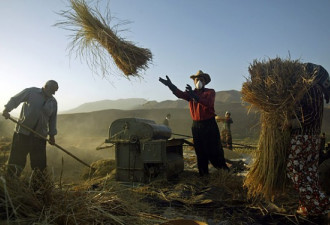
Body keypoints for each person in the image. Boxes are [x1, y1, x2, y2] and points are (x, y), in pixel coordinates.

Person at [159, 70, 229, 176]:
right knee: (200, 151)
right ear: (194, 81)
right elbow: (180, 94)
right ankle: (203, 175)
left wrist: (195, 96)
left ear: (205, 82)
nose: (199, 81)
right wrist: (170, 85)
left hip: (209, 124)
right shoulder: (191, 93)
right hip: (196, 126)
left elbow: (208, 103)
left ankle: (224, 171)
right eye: (197, 79)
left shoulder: (210, 92)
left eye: (201, 79)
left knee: (214, 149)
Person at [285, 63, 330, 219]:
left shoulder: (312, 90)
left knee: (295, 171)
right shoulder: (312, 90)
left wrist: (291, 123)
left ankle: (323, 205)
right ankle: (306, 207)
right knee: (309, 173)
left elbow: (311, 117)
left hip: (304, 138)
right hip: (310, 139)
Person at [2, 80, 59, 177]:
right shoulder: (31, 92)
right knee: (16, 163)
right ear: (46, 86)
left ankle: (38, 189)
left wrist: (52, 136)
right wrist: (7, 109)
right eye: (53, 90)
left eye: (55, 91)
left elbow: (52, 120)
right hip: (22, 134)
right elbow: (16, 100)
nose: (54, 93)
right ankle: (10, 184)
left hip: (40, 137)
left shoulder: (53, 102)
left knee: (39, 167)